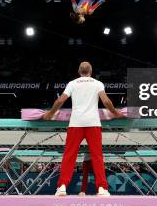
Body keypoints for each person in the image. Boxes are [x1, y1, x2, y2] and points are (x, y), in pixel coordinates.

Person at [42, 61, 124, 196]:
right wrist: (115, 113)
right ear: (90, 72)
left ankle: (62, 186)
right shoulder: (97, 83)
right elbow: (106, 101)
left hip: (76, 123)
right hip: (93, 123)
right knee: (97, 156)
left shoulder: (72, 83)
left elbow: (60, 101)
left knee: (69, 156)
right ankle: (102, 188)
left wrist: (50, 114)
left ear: (79, 72)